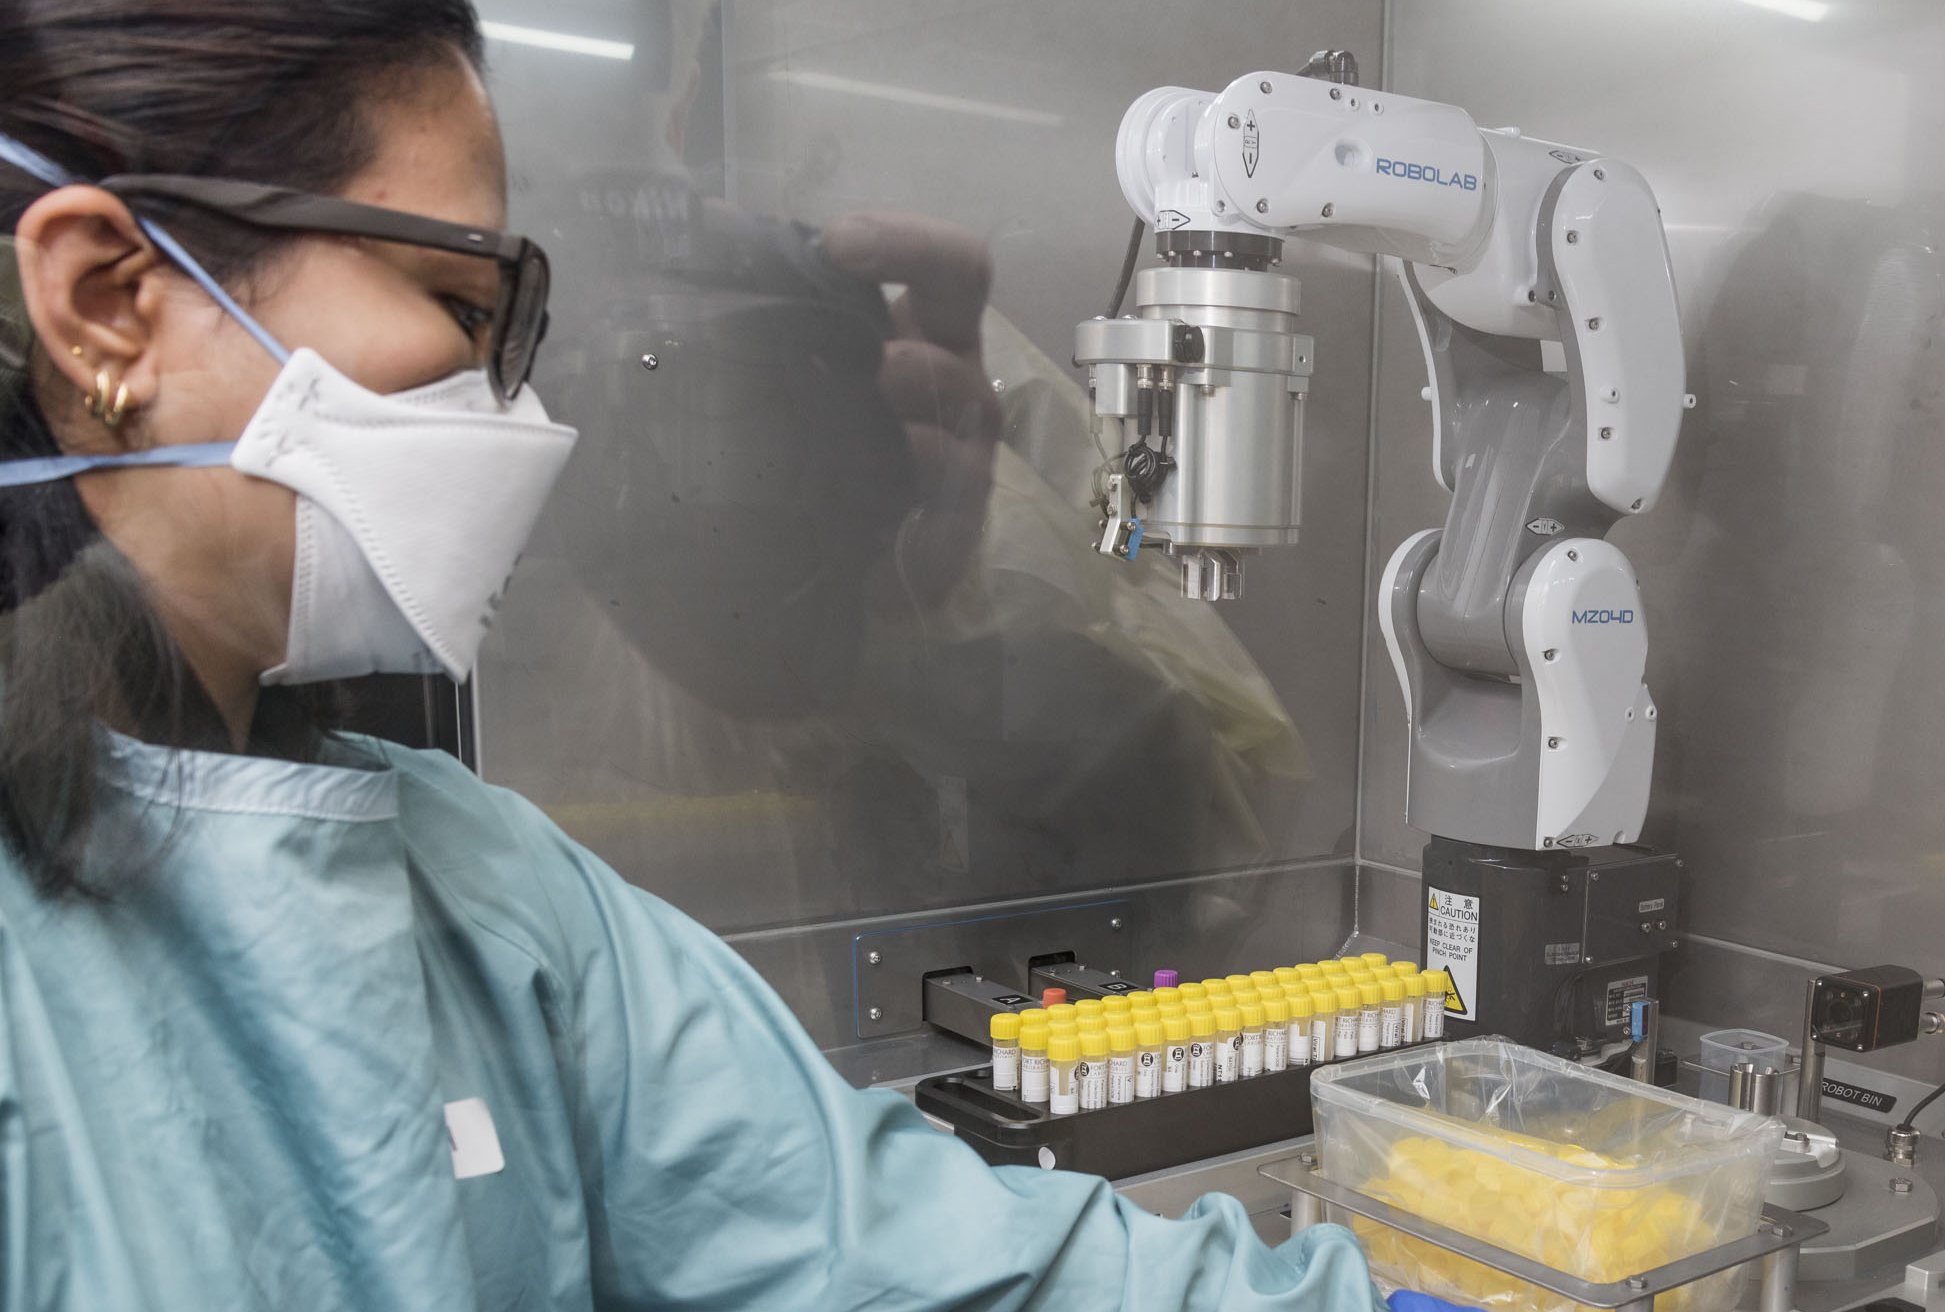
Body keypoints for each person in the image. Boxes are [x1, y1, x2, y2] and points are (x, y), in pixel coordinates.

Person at [0, 3, 1383, 1308]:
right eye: (458, 301)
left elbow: (914, 1258)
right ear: (107, 298)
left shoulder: (480, 890)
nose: (512, 408)